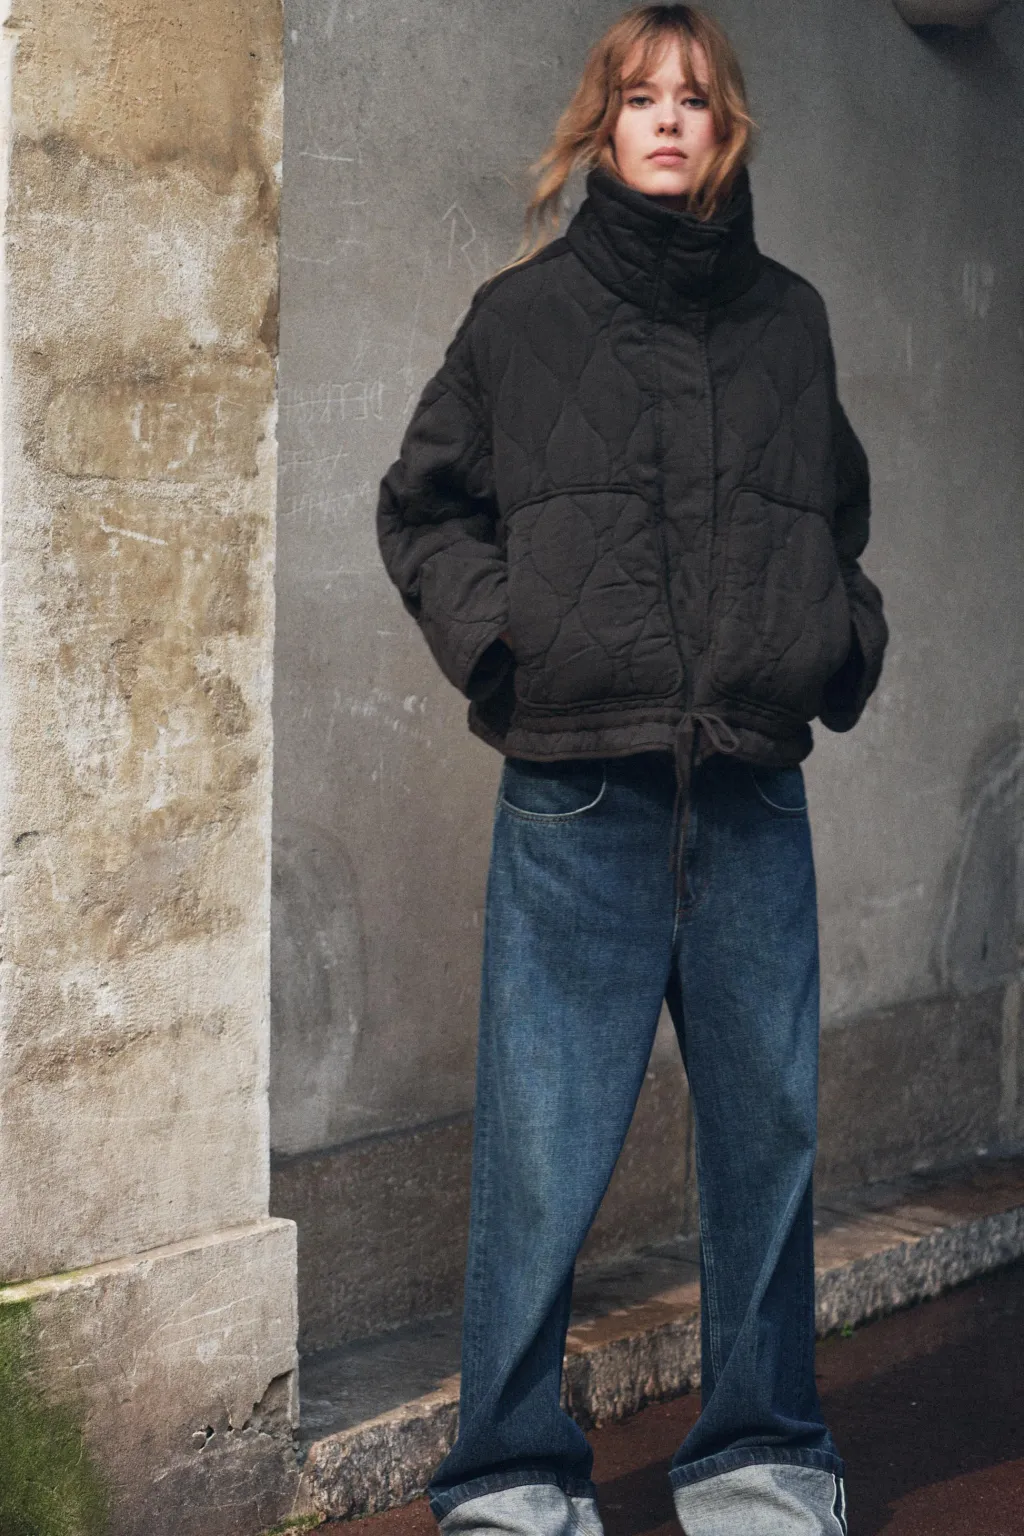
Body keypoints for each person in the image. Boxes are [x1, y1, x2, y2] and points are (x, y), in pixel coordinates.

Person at [377, 6, 887, 1533]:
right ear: (602, 125)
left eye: (695, 98)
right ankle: (510, 1482)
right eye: (641, 96)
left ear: (727, 129)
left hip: (751, 794)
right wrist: (509, 650)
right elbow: (423, 508)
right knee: (540, 1154)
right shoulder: (519, 318)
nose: (668, 118)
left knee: (767, 1144)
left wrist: (833, 644)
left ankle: (761, 1464)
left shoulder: (792, 321)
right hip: (578, 796)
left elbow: (836, 522)